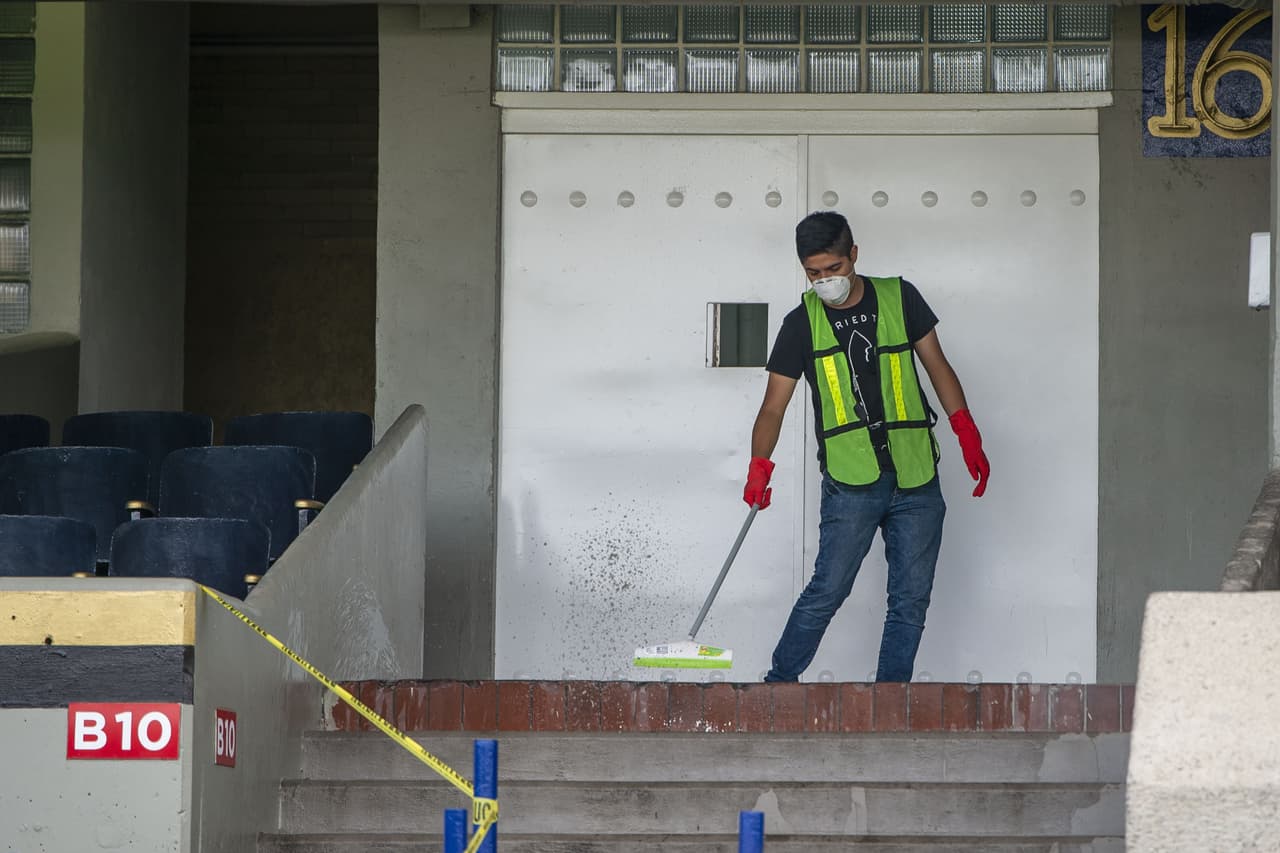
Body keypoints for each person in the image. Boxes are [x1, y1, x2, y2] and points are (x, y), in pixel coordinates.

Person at [744, 211, 990, 683]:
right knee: (827, 590)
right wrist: (760, 464)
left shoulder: (900, 297)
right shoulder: (801, 324)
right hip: (850, 481)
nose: (825, 281)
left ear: (853, 256)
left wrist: (966, 432)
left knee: (910, 599)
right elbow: (773, 407)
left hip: (916, 474)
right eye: (814, 273)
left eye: (833, 268)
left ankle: (889, 700)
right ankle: (777, 686)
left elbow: (937, 365)